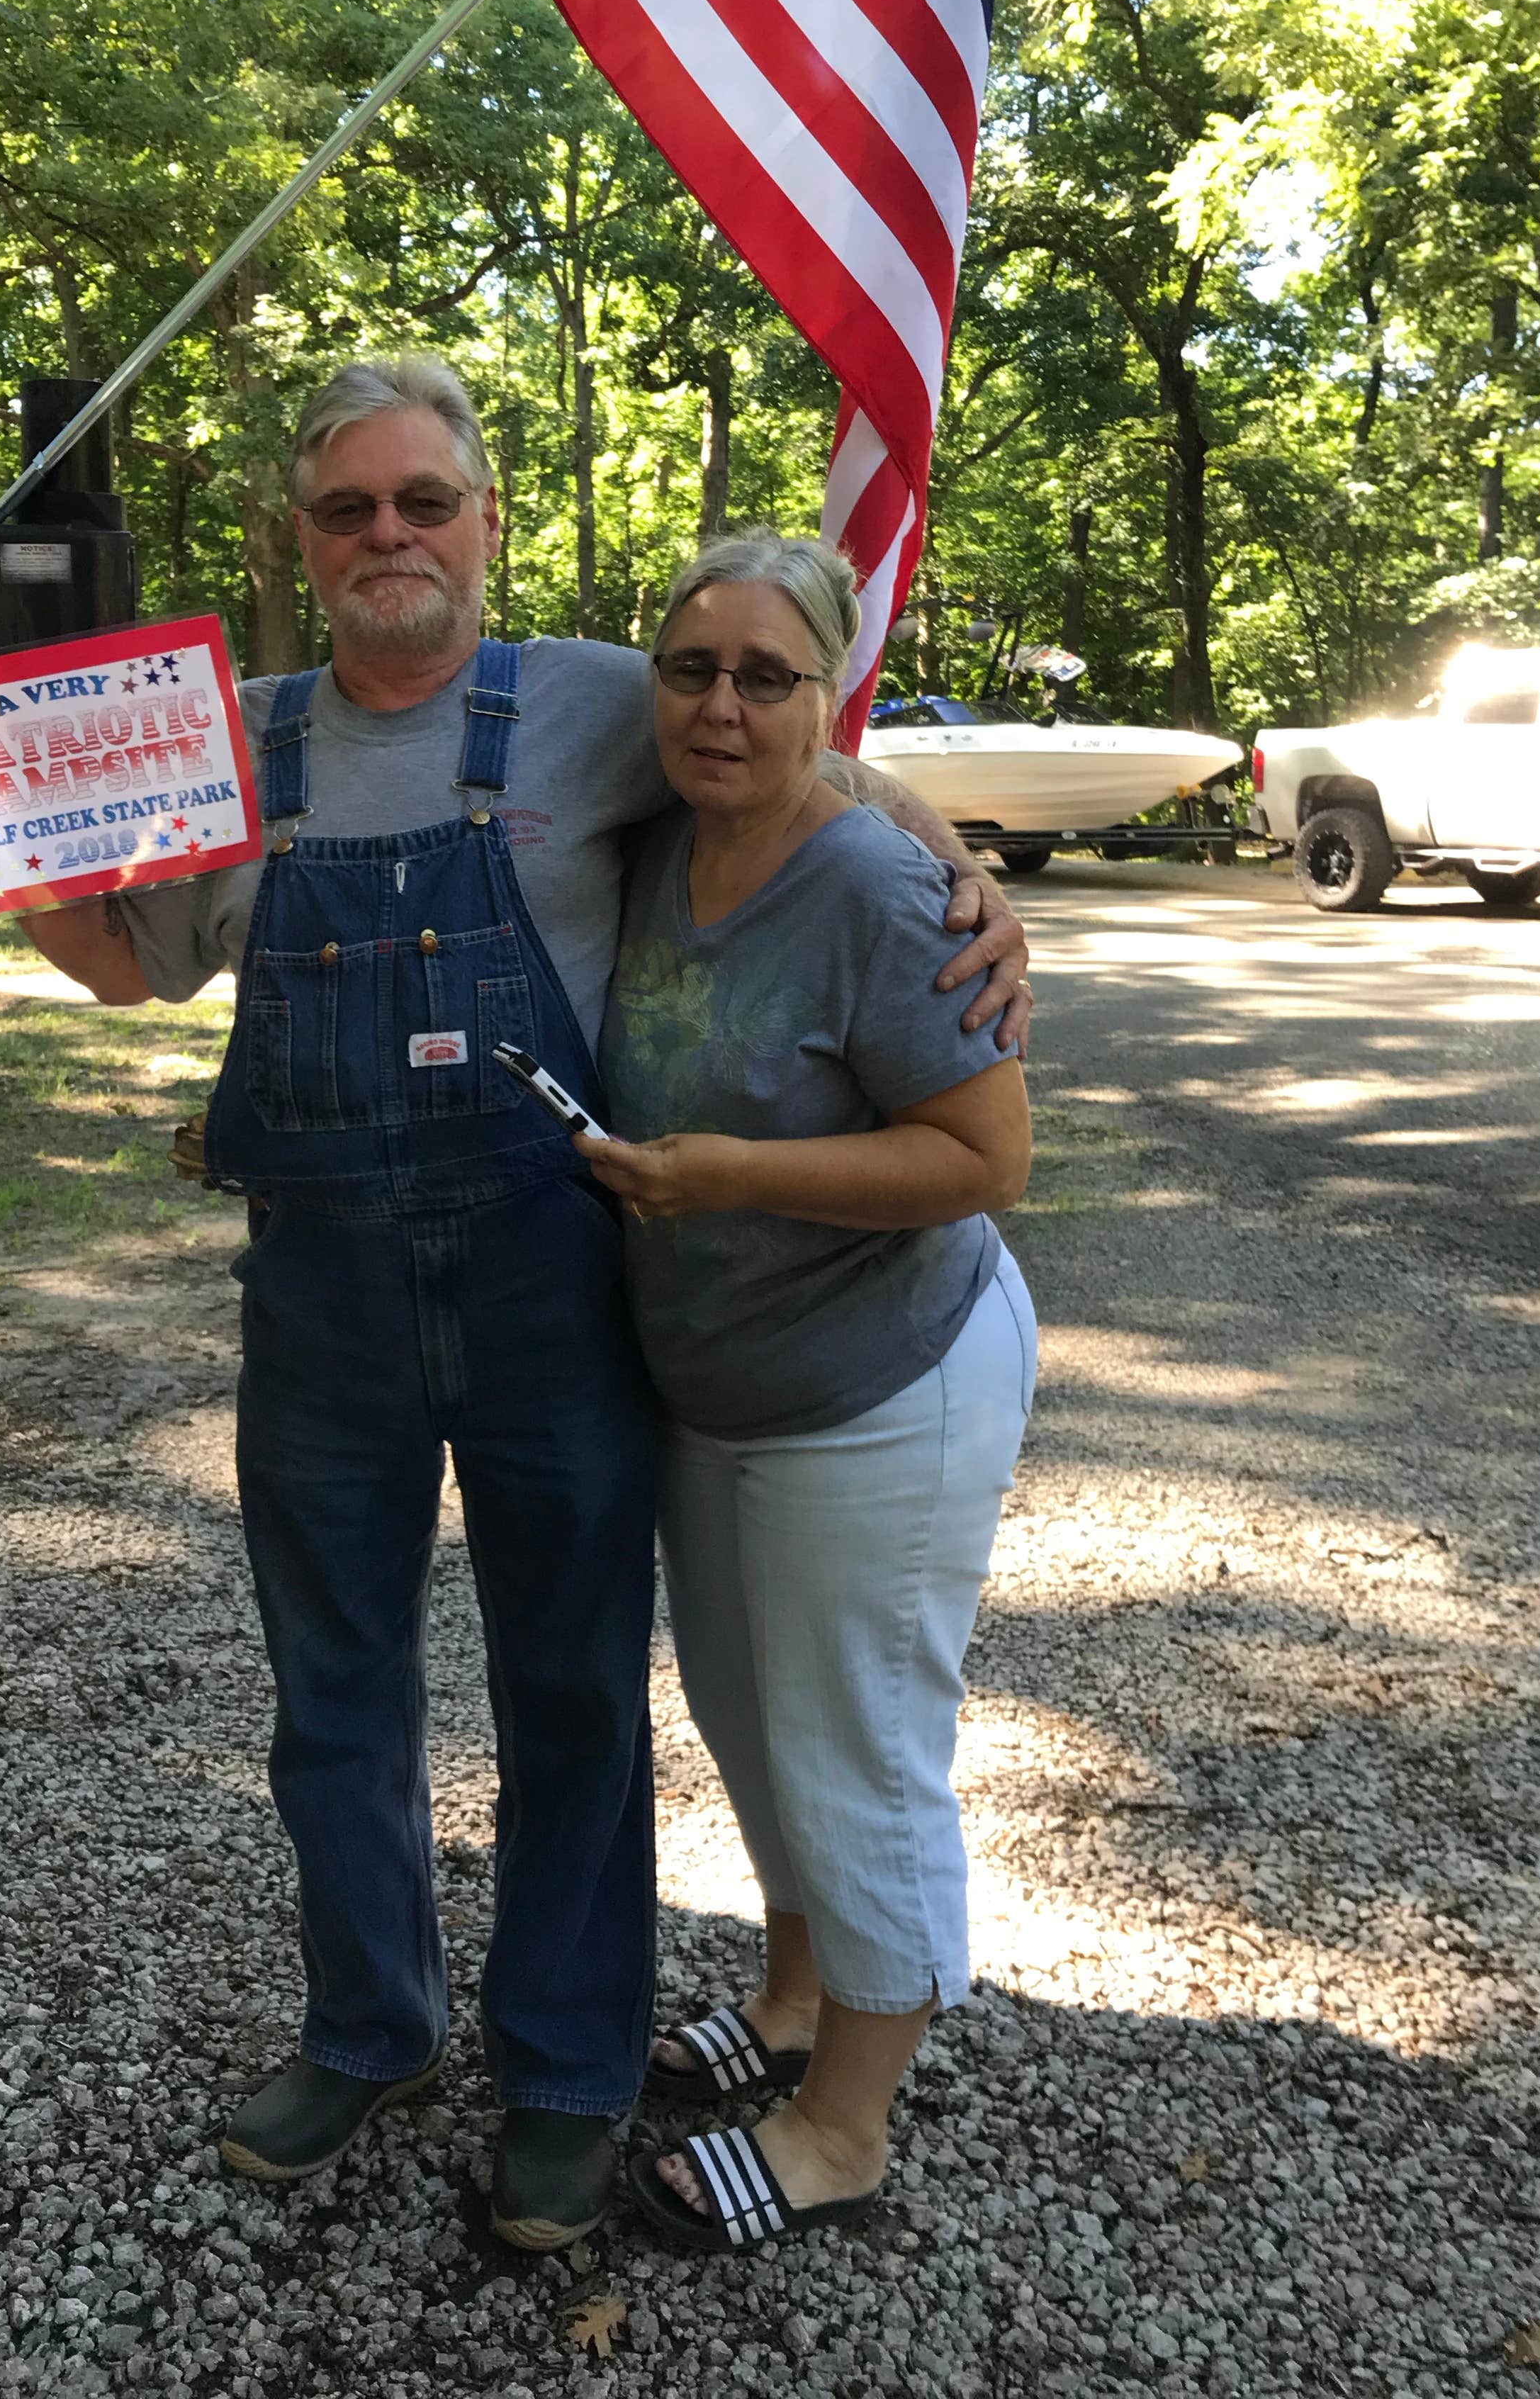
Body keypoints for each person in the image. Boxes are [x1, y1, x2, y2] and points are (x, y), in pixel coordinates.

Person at [0, 357, 1033, 2251]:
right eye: (350, 510)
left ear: (485, 522)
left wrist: (966, 875)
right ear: (301, 542)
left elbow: (790, 752)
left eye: (425, 501)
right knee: (336, 1696)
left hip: (549, 1288)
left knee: (571, 1690)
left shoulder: (598, 702)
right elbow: (129, 975)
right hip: (318, 1303)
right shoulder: (214, 737)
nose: (389, 536)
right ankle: (370, 2025)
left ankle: (568, 2071)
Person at [575, 529, 1036, 2256]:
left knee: (856, 1744)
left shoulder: (871, 890)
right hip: (716, 1381)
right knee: (751, 1723)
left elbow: (986, 1157)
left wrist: (729, 1175)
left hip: (885, 1382)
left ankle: (847, 2123)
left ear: (824, 696)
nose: (721, 704)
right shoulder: (650, 837)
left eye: (769, 676)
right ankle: (789, 1995)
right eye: (693, 668)